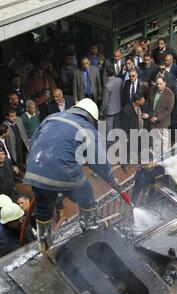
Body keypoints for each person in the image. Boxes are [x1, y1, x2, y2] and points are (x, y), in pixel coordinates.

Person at [25, 99, 119, 252]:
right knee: (86, 193)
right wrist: (110, 177)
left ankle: (45, 243)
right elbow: (98, 160)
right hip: (62, 171)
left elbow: (34, 141)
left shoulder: (52, 117)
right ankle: (89, 227)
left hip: (35, 170)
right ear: (90, 117)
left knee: (43, 208)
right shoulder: (85, 127)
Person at [146, 76, 175, 157]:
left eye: (160, 84)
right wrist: (150, 115)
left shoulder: (170, 94)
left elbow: (168, 111)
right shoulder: (152, 89)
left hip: (163, 122)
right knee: (155, 139)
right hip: (152, 119)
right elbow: (150, 104)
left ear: (164, 83)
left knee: (164, 141)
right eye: (157, 84)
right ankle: (156, 156)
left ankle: (165, 157)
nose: (158, 85)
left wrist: (157, 118)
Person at [2, 107, 29, 174]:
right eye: (11, 116)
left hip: (22, 146)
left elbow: (23, 132)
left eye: (15, 115)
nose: (14, 118)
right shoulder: (4, 126)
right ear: (6, 117)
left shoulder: (19, 119)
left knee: (24, 161)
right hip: (14, 150)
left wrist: (27, 144)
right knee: (18, 164)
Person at [101, 66, 123, 134]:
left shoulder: (107, 85)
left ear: (107, 74)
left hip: (109, 110)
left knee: (109, 127)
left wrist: (101, 111)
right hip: (119, 107)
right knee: (117, 126)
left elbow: (105, 101)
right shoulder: (120, 80)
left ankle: (110, 142)